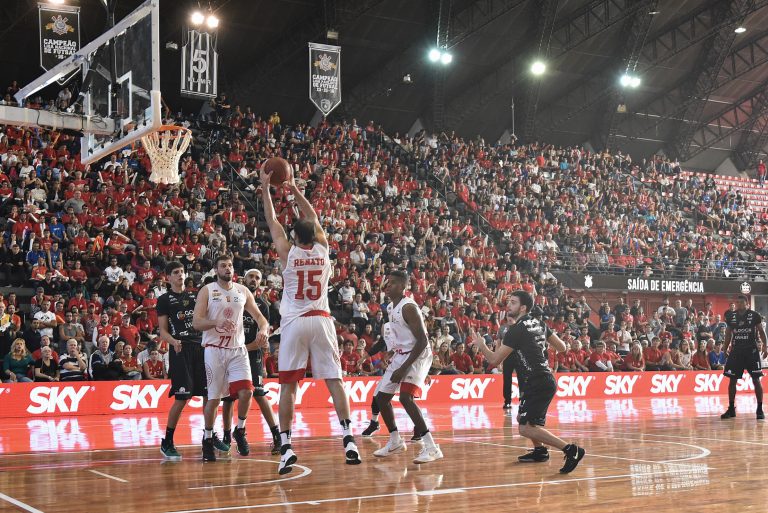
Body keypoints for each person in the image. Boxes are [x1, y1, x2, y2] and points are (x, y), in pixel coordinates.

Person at [260, 164, 361, 475]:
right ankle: (349, 438)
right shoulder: (323, 250)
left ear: (294, 236)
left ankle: (286, 446)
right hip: (321, 319)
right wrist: (294, 189)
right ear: (314, 235)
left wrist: (266, 188)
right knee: (335, 381)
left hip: (295, 322)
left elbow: (272, 220)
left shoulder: (288, 253)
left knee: (288, 387)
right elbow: (313, 217)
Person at [468, 291, 586, 473]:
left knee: (525, 428)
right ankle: (540, 451)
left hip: (538, 381)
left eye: (513, 302)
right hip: (541, 379)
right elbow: (562, 347)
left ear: (523, 307)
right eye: (509, 302)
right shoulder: (540, 324)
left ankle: (571, 450)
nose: (509, 306)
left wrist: (481, 344)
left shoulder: (516, 330)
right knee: (523, 420)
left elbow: (494, 360)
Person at [192, 254, 270, 462]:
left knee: (247, 392)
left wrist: (263, 330)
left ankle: (240, 430)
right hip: (214, 349)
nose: (227, 269)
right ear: (216, 269)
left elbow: (261, 318)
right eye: (223, 266)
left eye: (230, 266)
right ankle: (208, 438)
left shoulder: (242, 291)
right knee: (214, 399)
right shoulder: (207, 290)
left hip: (237, 350)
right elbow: (197, 323)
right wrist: (216, 322)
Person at [369, 270, 442, 463]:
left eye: (392, 283)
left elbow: (422, 341)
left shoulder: (408, 307)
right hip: (402, 354)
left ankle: (432, 448)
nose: (388, 286)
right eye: (387, 282)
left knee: (405, 398)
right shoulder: (390, 307)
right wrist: (392, 352)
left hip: (418, 355)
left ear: (403, 286)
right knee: (381, 398)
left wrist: (403, 369)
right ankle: (395, 441)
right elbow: (402, 336)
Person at [158, 262, 227, 460]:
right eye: (175, 272)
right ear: (168, 277)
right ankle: (167, 441)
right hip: (180, 350)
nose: (180, 275)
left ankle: (209, 435)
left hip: (202, 348)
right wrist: (173, 341)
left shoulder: (196, 296)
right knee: (182, 398)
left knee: (209, 395)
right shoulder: (164, 300)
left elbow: (206, 319)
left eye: (182, 272)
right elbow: (163, 331)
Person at [220, 269, 282, 456]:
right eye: (251, 277)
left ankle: (277, 436)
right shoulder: (232, 299)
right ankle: (226, 437)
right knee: (228, 397)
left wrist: (250, 348)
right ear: (243, 279)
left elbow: (262, 338)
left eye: (257, 278)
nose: (254, 280)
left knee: (259, 394)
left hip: (251, 354)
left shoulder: (262, 305)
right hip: (231, 353)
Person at [721, 295, 767, 420]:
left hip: (751, 351)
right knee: (732, 380)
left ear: (747, 303)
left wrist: (765, 346)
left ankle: (759, 408)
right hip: (736, 351)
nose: (739, 304)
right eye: (738, 302)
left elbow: (761, 332)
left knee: (756, 379)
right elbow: (728, 334)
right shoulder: (731, 316)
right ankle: (731, 408)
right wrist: (725, 348)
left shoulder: (754, 315)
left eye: (741, 302)